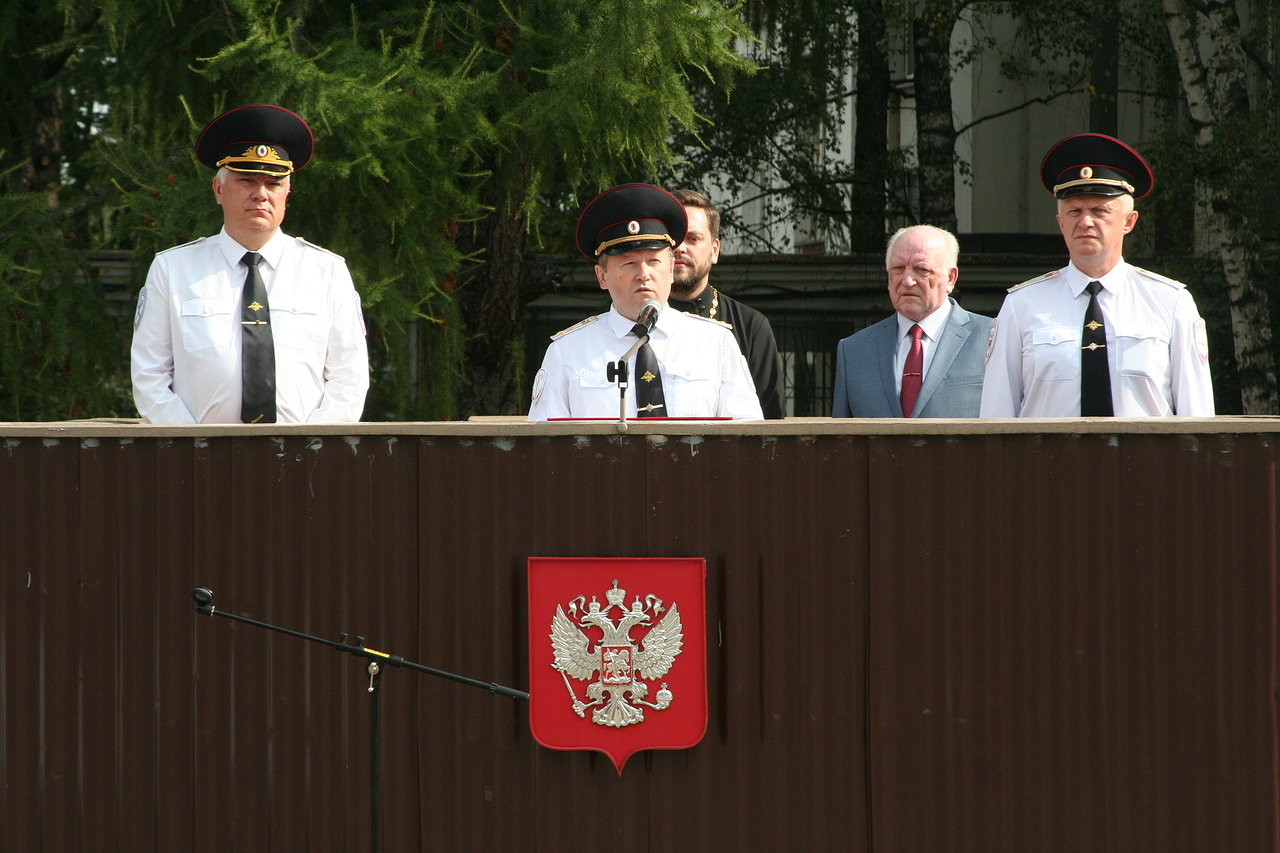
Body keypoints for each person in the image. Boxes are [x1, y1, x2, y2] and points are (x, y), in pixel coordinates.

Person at [131, 104, 369, 424]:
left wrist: (310, 447)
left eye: (273, 184)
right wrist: (193, 446)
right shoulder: (173, 270)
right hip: (201, 459)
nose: (261, 194)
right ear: (219, 189)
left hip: (303, 458)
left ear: (287, 192)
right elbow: (150, 376)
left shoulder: (326, 272)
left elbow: (349, 378)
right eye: (246, 181)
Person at [980, 133, 1213, 417]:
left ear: (1129, 221)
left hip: (1145, 461)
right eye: (1074, 211)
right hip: (1046, 461)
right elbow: (996, 414)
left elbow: (1197, 417)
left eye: (1100, 211)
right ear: (1060, 222)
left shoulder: (1170, 302)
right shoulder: (1022, 305)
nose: (1085, 222)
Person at [528, 184, 762, 420]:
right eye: (629, 263)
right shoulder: (568, 351)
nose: (643, 274)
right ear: (602, 277)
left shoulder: (715, 343)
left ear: (671, 269)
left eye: (653, 261)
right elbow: (547, 446)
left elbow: (746, 437)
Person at [832, 225, 991, 417]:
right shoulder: (854, 351)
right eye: (898, 269)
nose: (907, 280)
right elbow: (843, 440)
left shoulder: (991, 338)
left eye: (921, 269)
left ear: (950, 278)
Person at [668, 189, 785, 418]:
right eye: (673, 239)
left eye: (693, 239)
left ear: (714, 250)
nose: (680, 248)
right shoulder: (633, 320)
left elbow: (770, 421)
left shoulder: (751, 327)